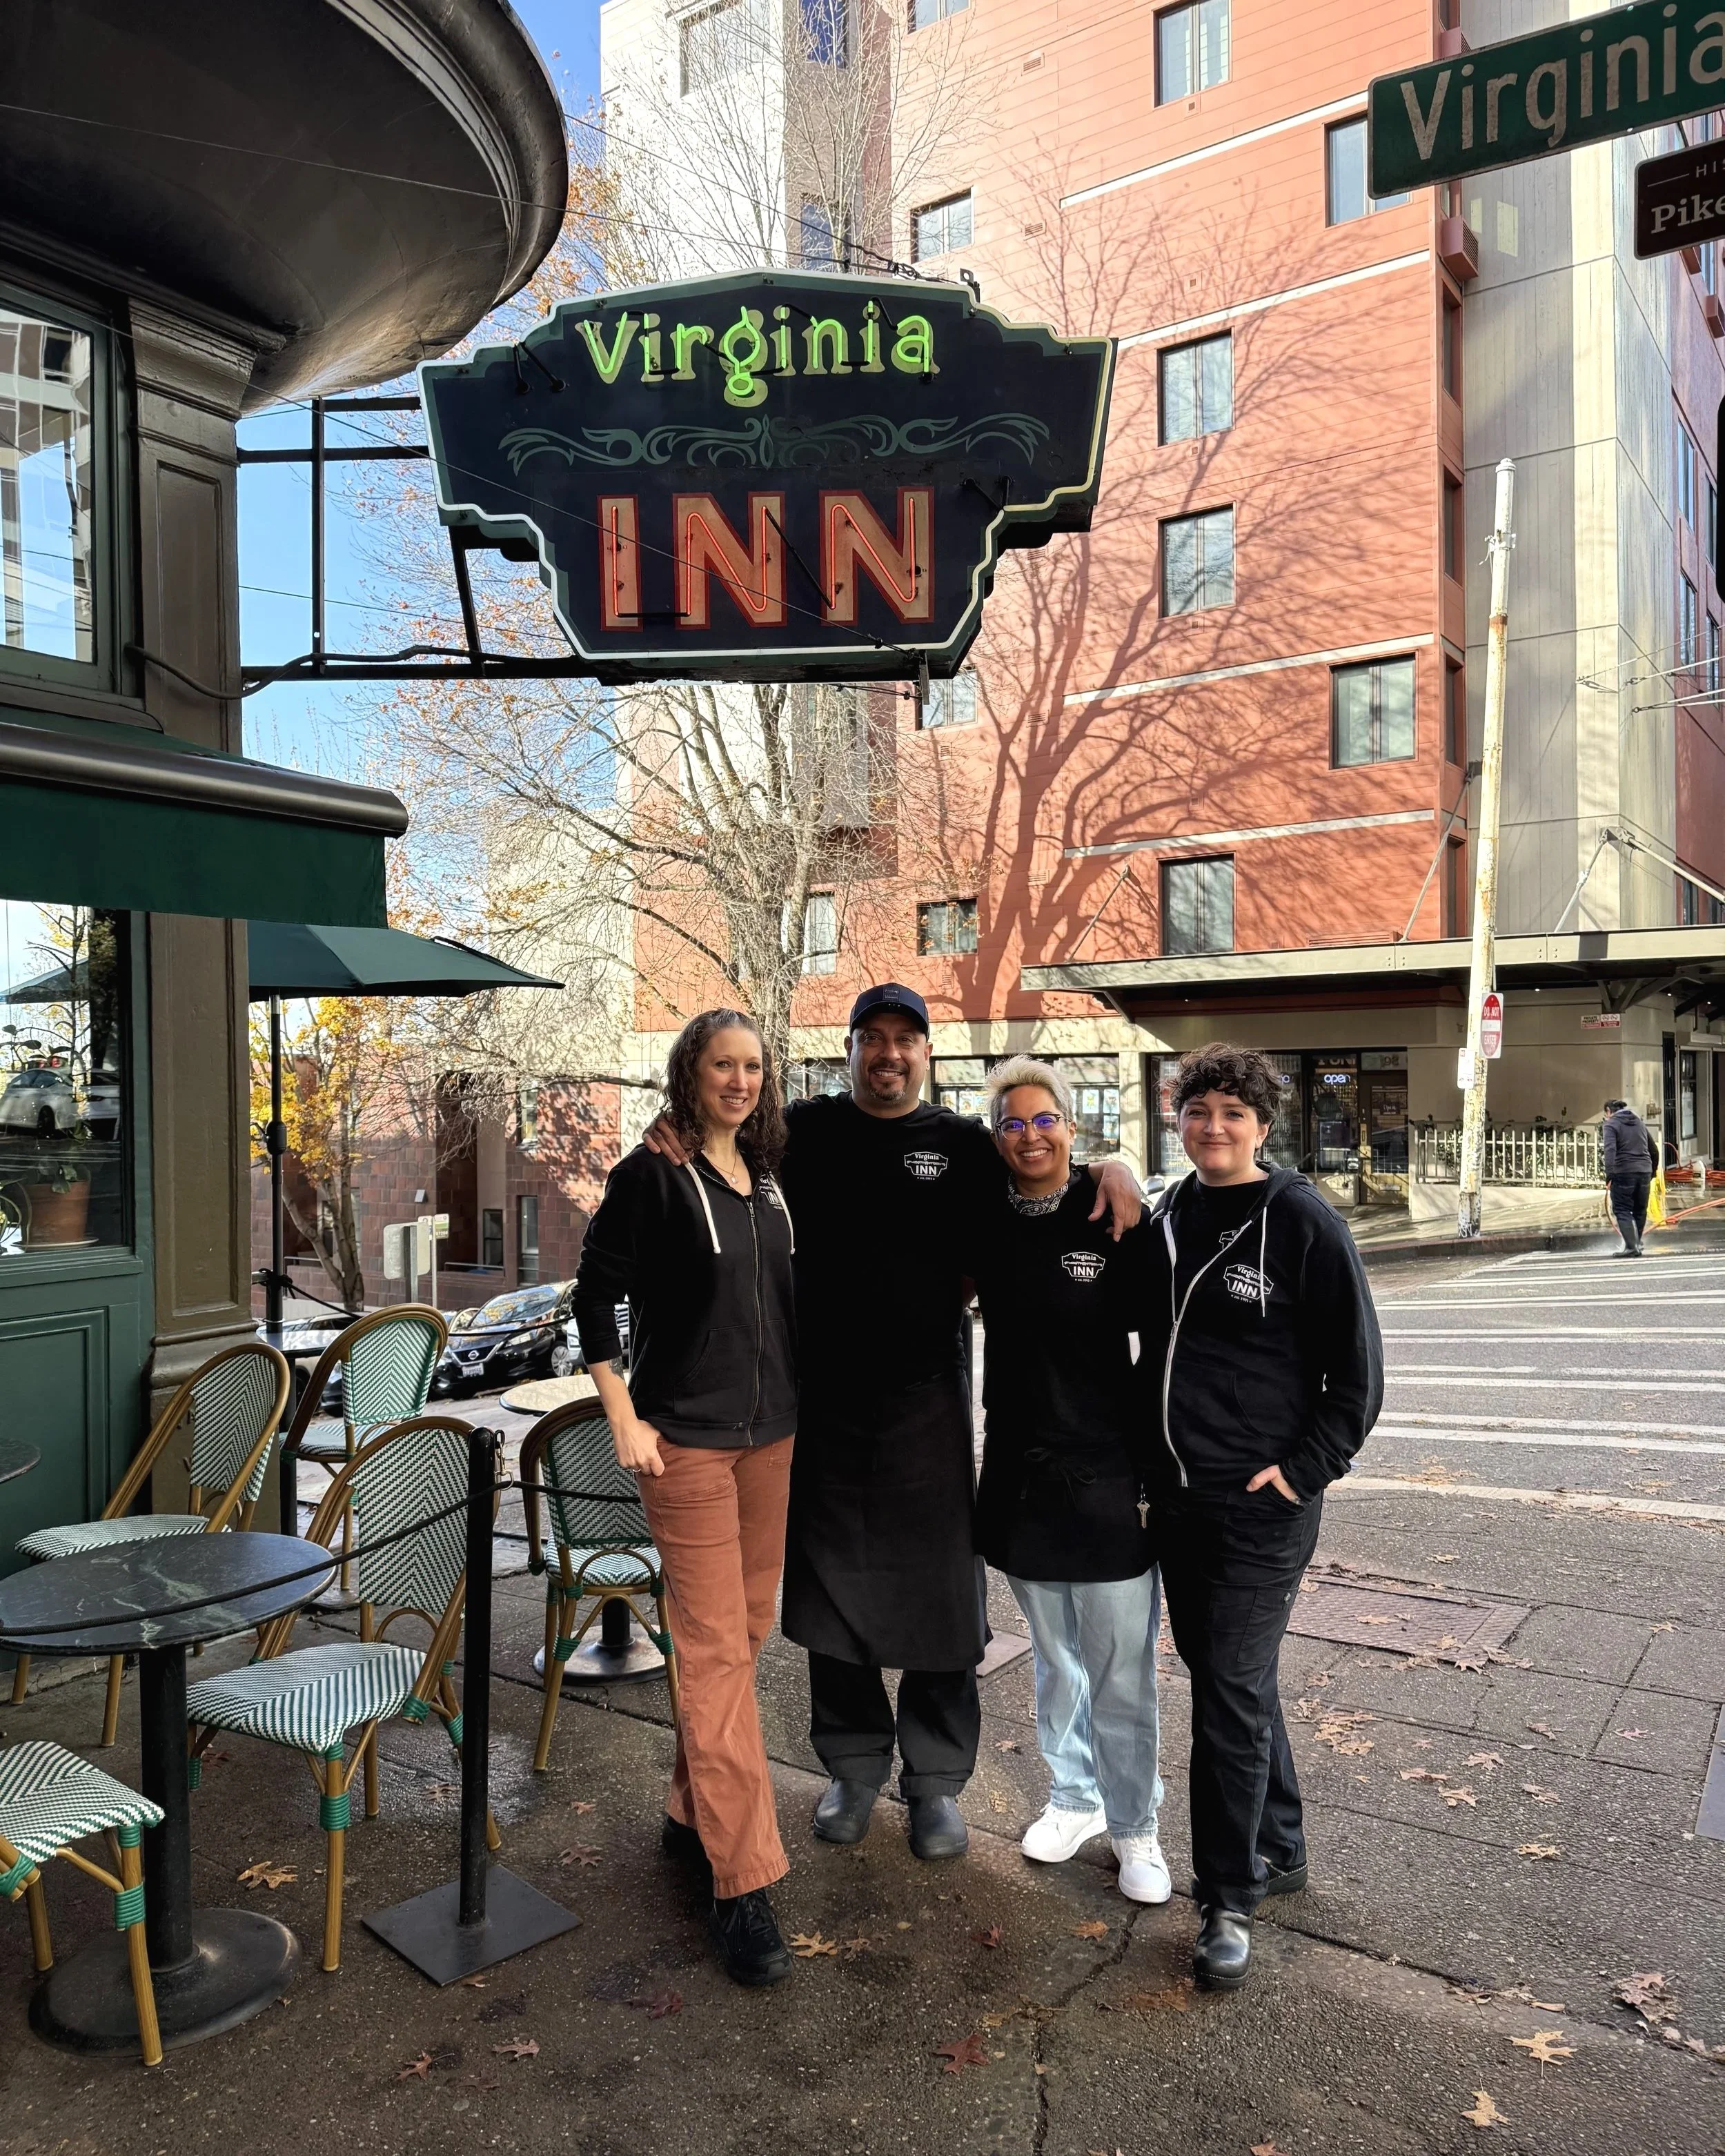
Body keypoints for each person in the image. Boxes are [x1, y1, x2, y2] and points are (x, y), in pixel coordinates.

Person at [644, 982, 1142, 1863]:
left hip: (928, 1402)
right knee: (831, 1593)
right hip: (820, 1401)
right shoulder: (798, 1131)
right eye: (871, 1037)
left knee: (941, 1598)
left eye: (905, 1039)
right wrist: (669, 1132)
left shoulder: (960, 1144)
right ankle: (853, 1767)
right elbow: (714, 1140)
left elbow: (1042, 1183)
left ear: (925, 1054)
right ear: (849, 1049)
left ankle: (935, 1781)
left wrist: (1112, 1166)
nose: (888, 1053)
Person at [1141, 1043, 1382, 1992]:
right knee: (1230, 1679)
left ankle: (1228, 1898)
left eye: (1232, 1114)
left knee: (1228, 1693)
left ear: (1262, 1124)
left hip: (1260, 1510)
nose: (1213, 1129)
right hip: (1179, 1500)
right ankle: (1279, 1845)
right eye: (1199, 1112)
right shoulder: (1168, 1214)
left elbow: (1355, 1379)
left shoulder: (1303, 1222)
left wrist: (1300, 1473)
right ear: (1180, 1118)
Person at [572, 1009, 799, 1987]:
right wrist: (621, 1412)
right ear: (691, 1073)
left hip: (773, 1438)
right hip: (690, 1447)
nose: (739, 1081)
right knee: (711, 1651)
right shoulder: (652, 1173)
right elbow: (592, 1292)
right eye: (723, 1066)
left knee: (742, 1636)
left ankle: (687, 1811)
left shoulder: (770, 1177)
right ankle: (742, 1881)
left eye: (752, 1066)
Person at [971, 1058, 1167, 1905]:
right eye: (1011, 1123)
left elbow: (1162, 1349)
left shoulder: (1113, 1209)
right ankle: (1075, 1798)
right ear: (996, 1137)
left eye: (1043, 1118)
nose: (1029, 1135)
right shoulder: (982, 1215)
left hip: (1107, 1473)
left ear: (1071, 1126)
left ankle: (1136, 1826)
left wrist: (1117, 1168)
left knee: (1121, 1668)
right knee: (1055, 1660)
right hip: (1018, 1469)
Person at [1601, 1098, 1655, 1256]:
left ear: (1609, 1112)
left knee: (1622, 1209)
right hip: (1645, 1170)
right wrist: (1653, 1171)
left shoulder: (1611, 1124)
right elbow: (1653, 1149)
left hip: (1624, 1172)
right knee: (1640, 1210)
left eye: (1606, 1114)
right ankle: (1636, 1243)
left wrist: (1610, 1175)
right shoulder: (1639, 1122)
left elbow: (1610, 1150)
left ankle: (1632, 1247)